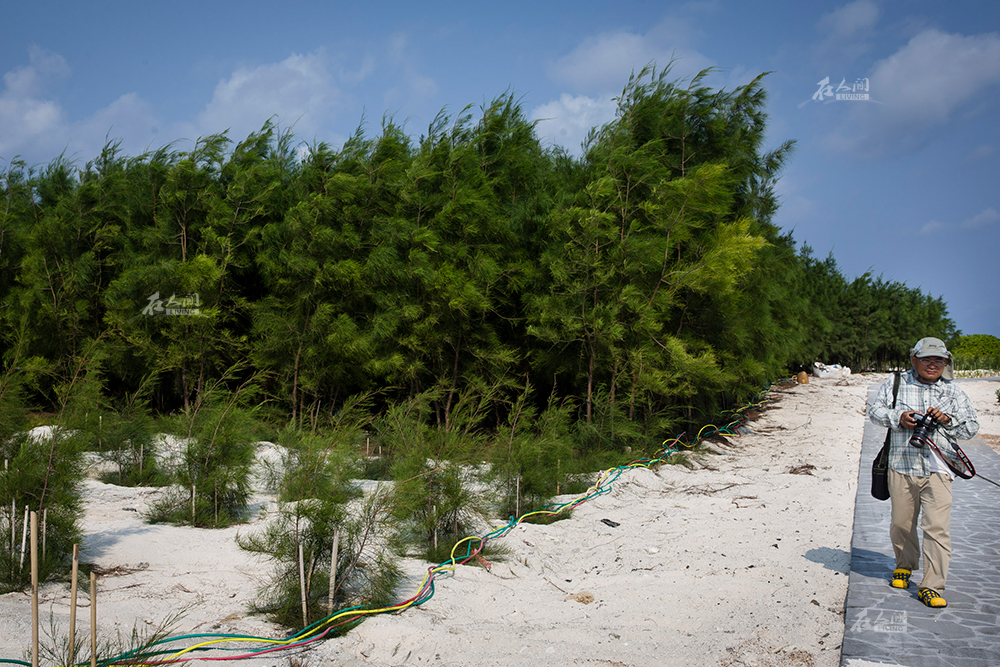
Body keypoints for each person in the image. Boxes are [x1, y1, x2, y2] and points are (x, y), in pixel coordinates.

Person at [868, 336, 979, 608]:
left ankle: (932, 585)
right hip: (901, 465)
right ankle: (905, 565)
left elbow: (971, 427)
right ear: (914, 359)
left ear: (946, 363)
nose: (933, 364)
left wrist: (947, 421)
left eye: (939, 360)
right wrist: (899, 418)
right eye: (927, 359)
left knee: (937, 528)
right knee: (901, 524)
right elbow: (874, 412)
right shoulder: (895, 383)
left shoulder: (954, 393)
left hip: (939, 469)